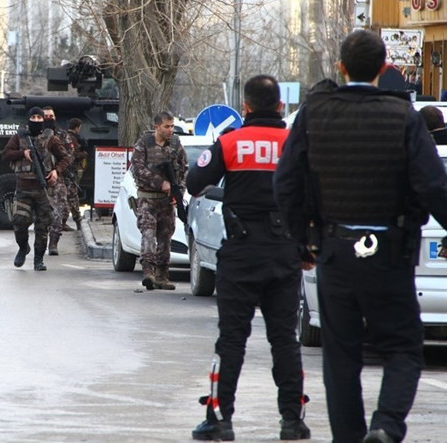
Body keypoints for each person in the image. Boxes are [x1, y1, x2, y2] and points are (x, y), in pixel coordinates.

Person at [275, 29, 447, 443]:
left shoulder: (315, 114)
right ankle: (387, 425)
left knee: (340, 358)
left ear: (341, 67)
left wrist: (303, 242)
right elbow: (432, 187)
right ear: (384, 69)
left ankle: (348, 437)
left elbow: (286, 183)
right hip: (389, 252)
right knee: (404, 349)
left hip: (334, 252)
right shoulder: (403, 116)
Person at [187, 76, 310, 442]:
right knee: (285, 340)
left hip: (240, 255)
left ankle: (220, 420)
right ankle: (292, 420)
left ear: (245, 107)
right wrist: (307, 246)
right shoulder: (294, 144)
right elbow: (312, 194)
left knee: (232, 340)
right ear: (278, 107)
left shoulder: (230, 142)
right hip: (284, 253)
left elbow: (195, 182)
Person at [2, 107, 71, 271]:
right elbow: (6, 154)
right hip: (23, 188)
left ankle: (38, 260)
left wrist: (56, 171)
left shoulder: (51, 139)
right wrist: (22, 153)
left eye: (39, 118)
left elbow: (65, 158)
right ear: (28, 119)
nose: (36, 120)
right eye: (33, 117)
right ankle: (23, 248)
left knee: (42, 226)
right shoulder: (19, 137)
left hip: (44, 190)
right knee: (19, 222)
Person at [130, 111, 187, 291]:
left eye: (172, 126)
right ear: (157, 127)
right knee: (148, 233)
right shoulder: (144, 143)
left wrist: (178, 193)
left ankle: (162, 275)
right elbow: (137, 168)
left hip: (166, 200)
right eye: (166, 126)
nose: (170, 130)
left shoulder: (176, 144)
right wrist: (159, 182)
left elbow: (184, 170)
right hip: (147, 197)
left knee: (165, 236)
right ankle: (148, 272)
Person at [43, 106, 71, 255]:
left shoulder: (61, 135)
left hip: (57, 178)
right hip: (36, 179)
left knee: (59, 211)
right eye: (46, 116)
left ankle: (53, 243)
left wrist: (57, 170)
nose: (49, 119)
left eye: (51, 116)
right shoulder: (32, 134)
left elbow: (68, 156)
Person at [64, 117, 87, 231]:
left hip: (69, 172)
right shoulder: (71, 138)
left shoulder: (67, 137)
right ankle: (65, 221)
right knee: (71, 197)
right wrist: (84, 153)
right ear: (77, 128)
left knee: (72, 196)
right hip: (71, 172)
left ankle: (77, 221)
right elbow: (74, 155)